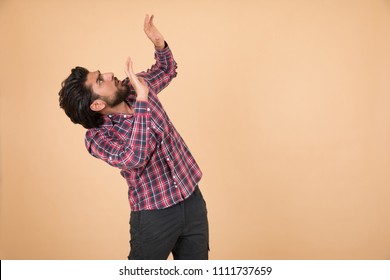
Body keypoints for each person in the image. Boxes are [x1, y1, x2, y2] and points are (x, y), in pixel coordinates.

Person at [58, 15, 209, 260]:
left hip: (191, 198)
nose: (108, 74)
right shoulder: (97, 138)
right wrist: (142, 100)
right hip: (154, 216)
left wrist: (159, 43)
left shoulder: (134, 86)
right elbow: (134, 157)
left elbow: (166, 70)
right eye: (99, 80)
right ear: (96, 104)